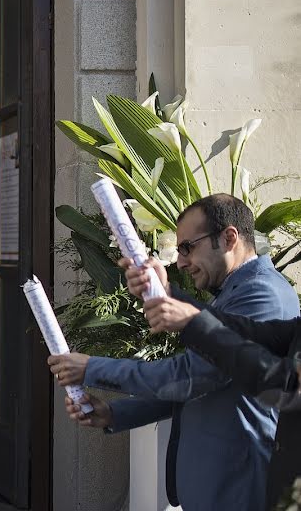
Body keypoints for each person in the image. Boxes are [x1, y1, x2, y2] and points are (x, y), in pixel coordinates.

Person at [49, 194, 299, 511]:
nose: (180, 261)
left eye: (187, 247)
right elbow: (205, 378)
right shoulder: (235, 289)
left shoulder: (261, 292)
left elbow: (193, 376)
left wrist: (92, 368)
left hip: (235, 487)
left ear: (229, 237)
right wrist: (116, 414)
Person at [128, 260, 301, 509]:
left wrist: (194, 323)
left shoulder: (264, 288)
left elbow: (276, 379)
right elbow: (250, 332)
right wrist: (169, 294)